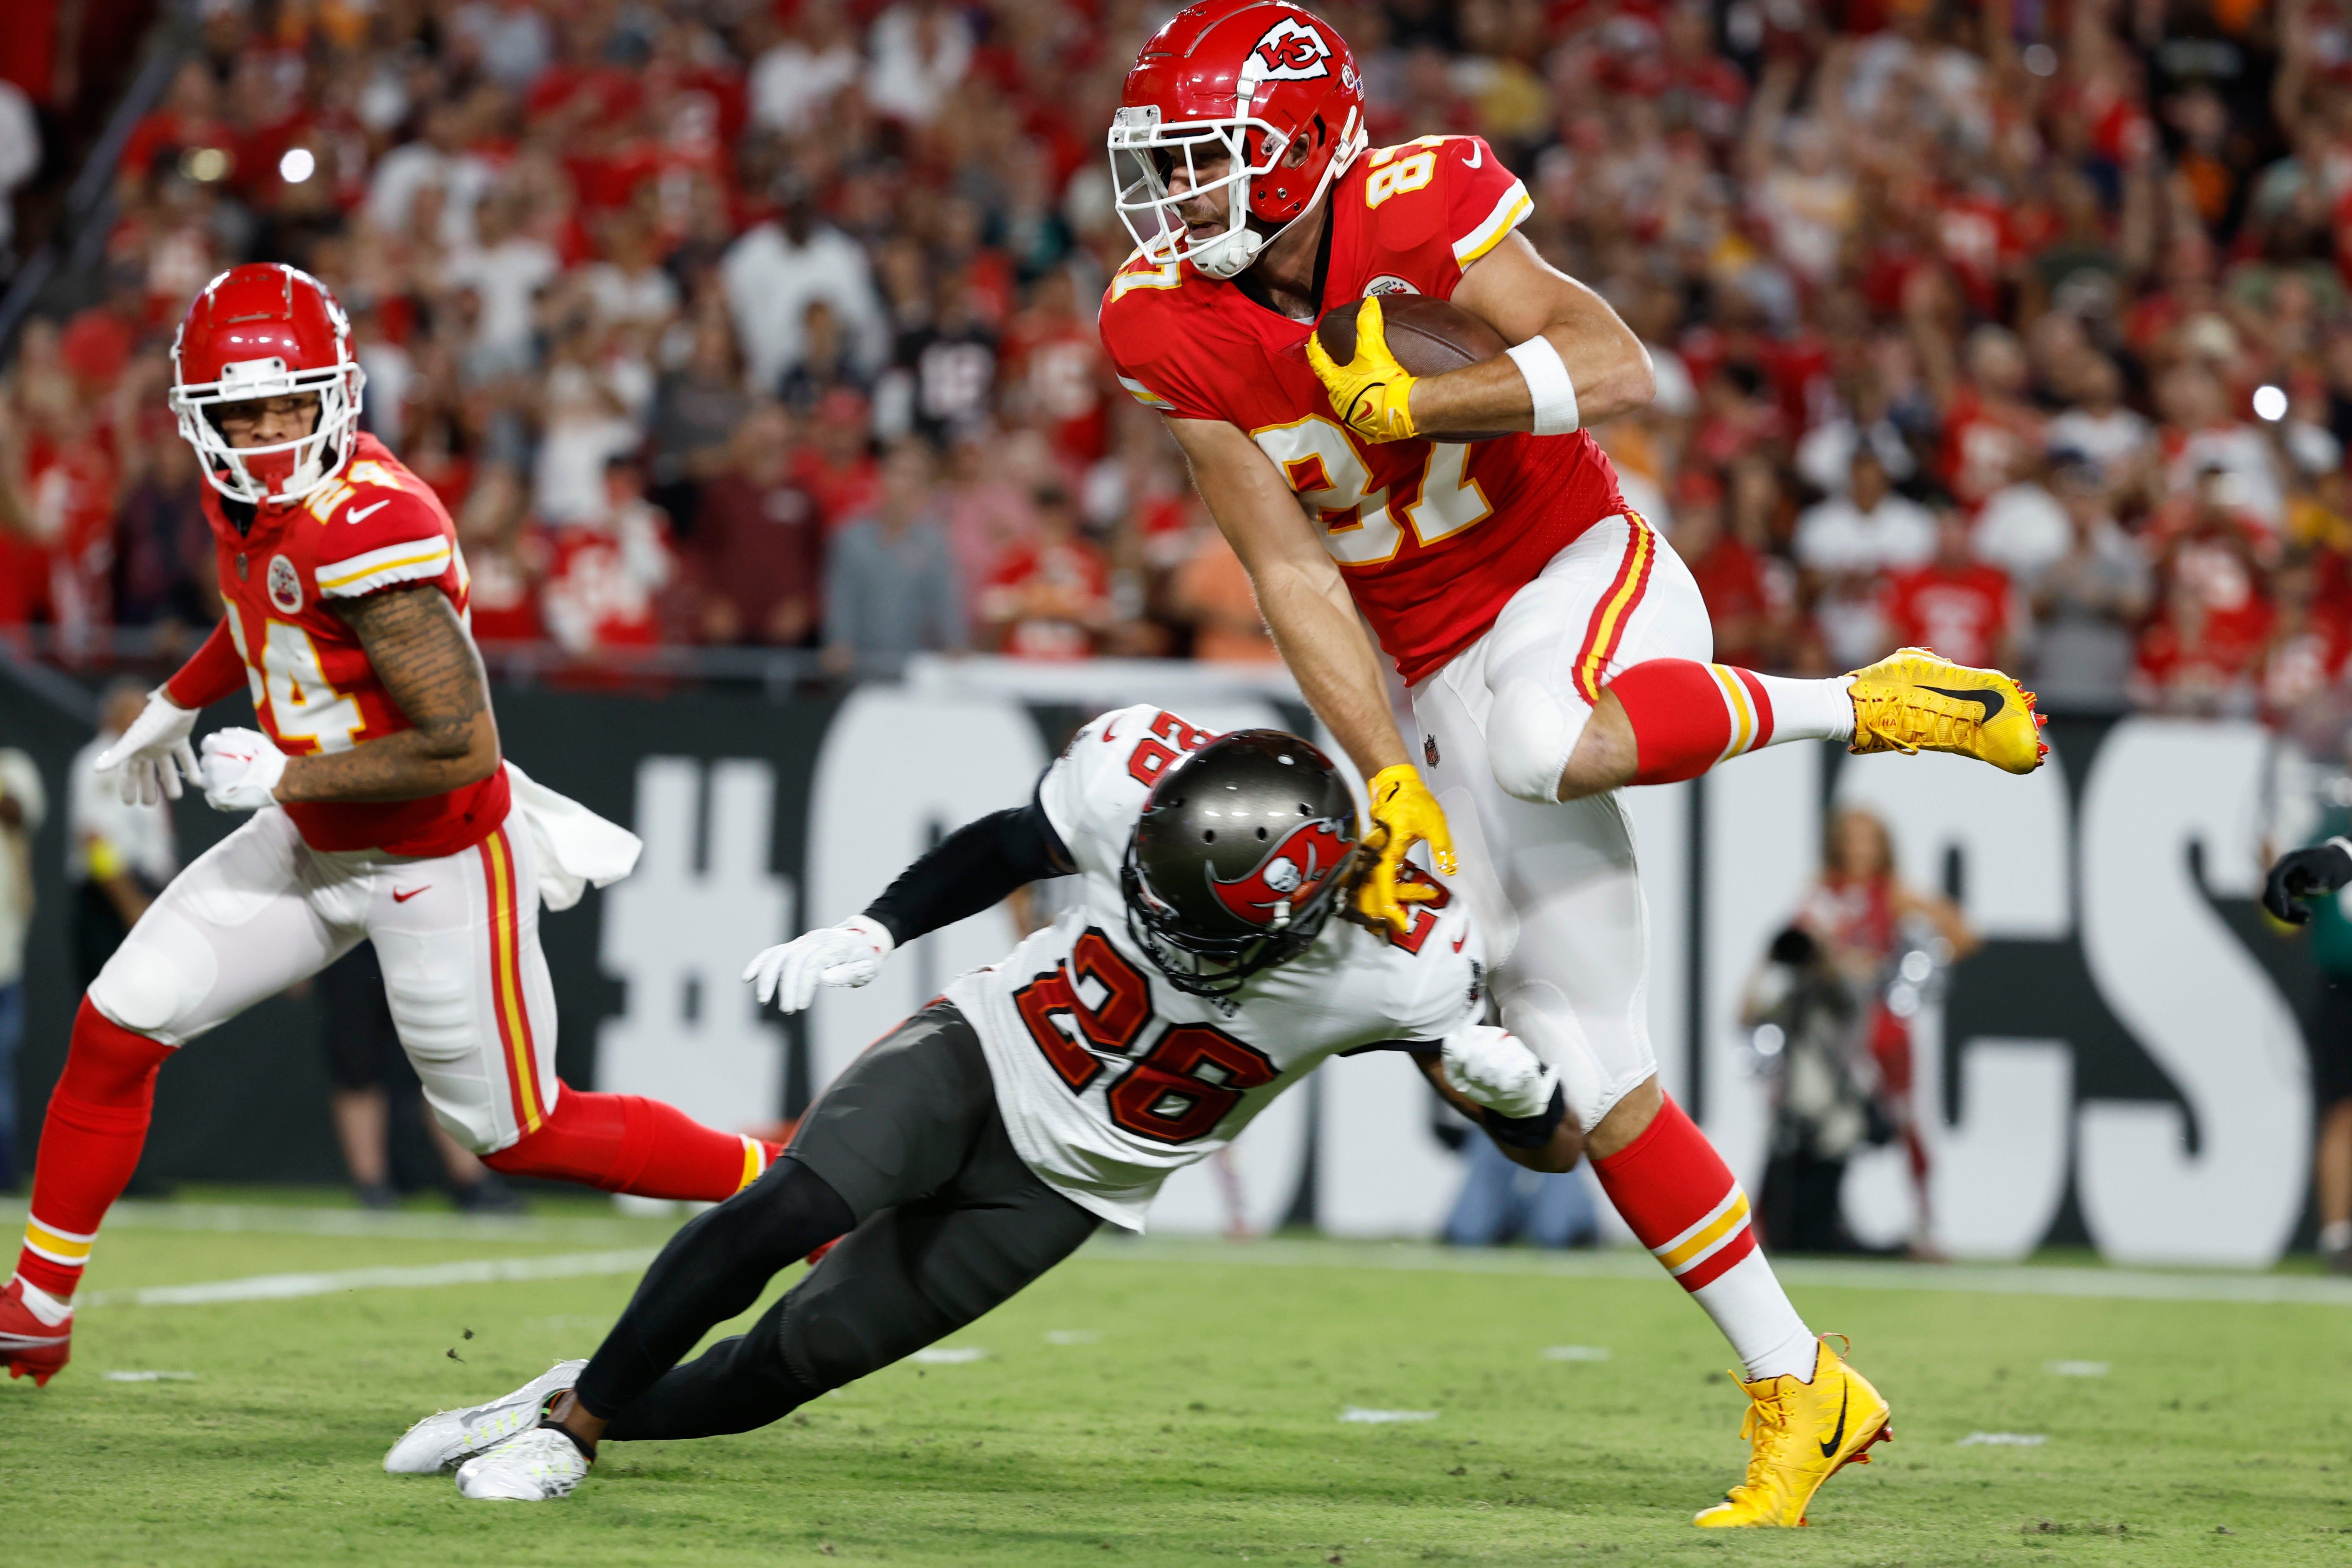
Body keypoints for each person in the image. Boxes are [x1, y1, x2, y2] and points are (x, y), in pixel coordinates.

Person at [1093, 1, 2044, 1526]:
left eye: (1211, 160)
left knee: (1546, 741)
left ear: (1307, 141)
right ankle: (1807, 1384)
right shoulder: (1160, 321)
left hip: (1575, 571)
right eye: (1171, 164)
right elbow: (1289, 570)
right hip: (1427, 668)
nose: (1179, 198)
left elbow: (1614, 366)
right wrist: (1382, 768)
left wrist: (1429, 399)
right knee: (1592, 1076)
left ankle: (1860, 701)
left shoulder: (1419, 200)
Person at [384, 715, 1573, 1500]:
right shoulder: (1137, 785)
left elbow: (1555, 1146)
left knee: (781, 1371)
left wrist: (1519, 1100)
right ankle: (574, 1431)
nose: (1161, 928)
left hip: (1072, 1182)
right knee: (792, 1201)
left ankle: (551, 1398)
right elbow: (1010, 843)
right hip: (987, 1049)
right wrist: (873, 928)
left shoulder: (1399, 957)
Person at [0, 265, 791, 1388]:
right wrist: (180, 699)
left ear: (336, 395)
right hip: (317, 835)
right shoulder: (248, 507)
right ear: (198, 416)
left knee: (520, 1131)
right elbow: (262, 606)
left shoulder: (372, 527)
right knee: (117, 1024)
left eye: (290, 406)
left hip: (434, 853)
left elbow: (461, 741)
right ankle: (36, 1305)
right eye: (245, 413)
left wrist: (286, 771)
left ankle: (789, 1180)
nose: (271, 435)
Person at [1794, 809, 1978, 1256]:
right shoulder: (1821, 893)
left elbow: (1962, 933)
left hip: (1880, 1028)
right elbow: (1798, 949)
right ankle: (1808, 1218)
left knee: (1902, 1119)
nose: (1859, 849)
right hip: (1833, 1027)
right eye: (1851, 839)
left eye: (1869, 840)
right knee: (1813, 1121)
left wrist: (1915, 972)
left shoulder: (1892, 894)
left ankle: (1922, 1222)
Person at [318, 942, 521, 1213]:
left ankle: (472, 1179)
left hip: (424, 945)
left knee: (444, 1063)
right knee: (355, 1064)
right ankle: (372, 1185)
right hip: (352, 945)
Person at [2259, 833, 2352, 1271]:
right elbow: (2288, 922)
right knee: (2342, 1111)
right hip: (2344, 992)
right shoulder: (2330, 827)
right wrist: (2280, 876)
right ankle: (2337, 1239)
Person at [65, 680, 178, 987]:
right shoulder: (101, 760)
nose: (146, 720)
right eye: (137, 712)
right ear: (112, 716)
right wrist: (130, 905)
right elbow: (95, 840)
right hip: (112, 902)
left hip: (145, 898)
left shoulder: (141, 762)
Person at [0, 746, 42, 1190]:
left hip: (4, 955)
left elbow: (17, 810)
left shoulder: (14, 766)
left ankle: (3, 1172)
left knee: (0, 1068)